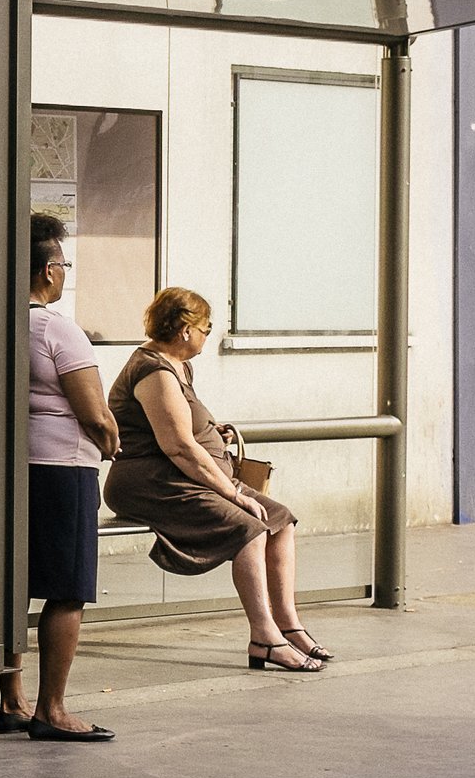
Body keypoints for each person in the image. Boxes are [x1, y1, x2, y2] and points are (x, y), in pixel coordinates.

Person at [104, 287, 328, 673]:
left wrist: (212, 429)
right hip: (151, 481)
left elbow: (185, 425)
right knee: (250, 527)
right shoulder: (153, 370)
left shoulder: (178, 366)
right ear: (185, 329)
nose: (208, 335)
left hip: (185, 474)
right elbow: (178, 447)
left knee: (280, 520)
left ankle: (288, 624)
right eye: (206, 327)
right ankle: (264, 637)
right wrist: (232, 493)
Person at [6, 214, 121, 741]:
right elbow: (95, 414)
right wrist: (111, 444)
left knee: (16, 587)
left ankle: (12, 700)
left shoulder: (3, 323)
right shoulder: (57, 329)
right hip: (64, 470)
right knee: (68, 589)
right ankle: (52, 709)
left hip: (17, 467)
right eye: (64, 265)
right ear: (50, 271)